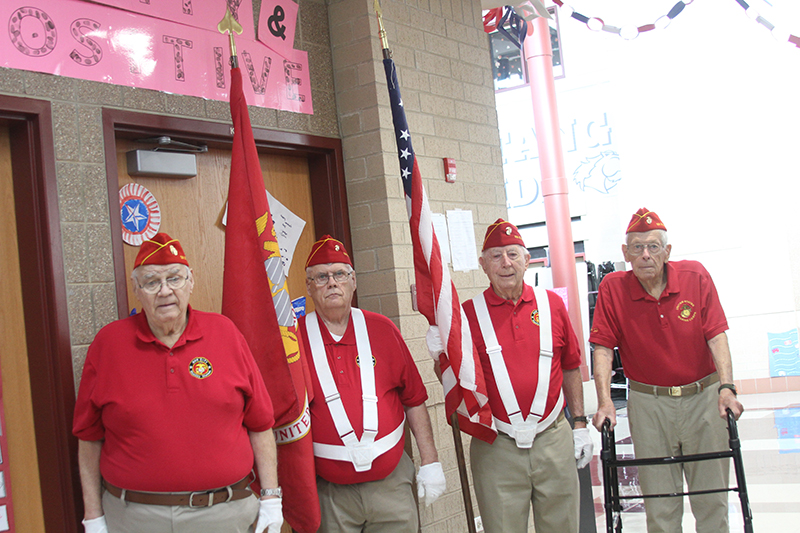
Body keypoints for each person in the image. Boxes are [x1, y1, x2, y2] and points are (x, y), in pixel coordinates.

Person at [73, 233, 283, 533]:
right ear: (136, 289)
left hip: (223, 515)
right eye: (151, 282)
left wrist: (271, 499)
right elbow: (88, 437)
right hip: (133, 518)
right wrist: (92, 517)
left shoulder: (226, 333)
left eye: (174, 278)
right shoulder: (108, 344)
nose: (164, 291)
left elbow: (261, 425)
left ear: (191, 281)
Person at [590, 208, 745, 533]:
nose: (645, 254)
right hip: (649, 403)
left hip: (703, 397)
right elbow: (603, 348)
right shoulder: (612, 288)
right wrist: (604, 401)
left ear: (667, 251)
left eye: (653, 246)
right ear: (625, 253)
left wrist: (726, 388)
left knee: (712, 499)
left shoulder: (694, 276)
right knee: (660, 504)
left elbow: (716, 335)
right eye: (637, 247)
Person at [296, 235, 446, 533]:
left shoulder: (382, 329)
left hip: (390, 486)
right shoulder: (293, 340)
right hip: (330, 493)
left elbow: (414, 399)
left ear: (353, 281)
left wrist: (430, 461)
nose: (332, 283)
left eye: (339, 274)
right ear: (309, 286)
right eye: (322, 277)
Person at [457, 218, 593, 533]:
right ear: (483, 264)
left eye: (513, 254)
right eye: (496, 256)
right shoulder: (467, 316)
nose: (506, 263)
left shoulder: (553, 305)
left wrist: (581, 424)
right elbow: (456, 379)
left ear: (527, 259)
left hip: (552, 438)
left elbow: (571, 365)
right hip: (497, 447)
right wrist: (442, 348)